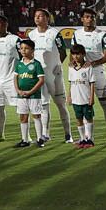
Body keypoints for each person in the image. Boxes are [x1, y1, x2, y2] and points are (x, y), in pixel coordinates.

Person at [73, 8, 106, 143]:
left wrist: (91, 64)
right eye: (87, 17)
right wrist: (74, 67)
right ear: (82, 19)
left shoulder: (102, 35)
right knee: (85, 105)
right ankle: (88, 137)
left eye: (92, 17)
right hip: (82, 74)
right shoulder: (77, 34)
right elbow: (73, 53)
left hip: (98, 72)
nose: (90, 19)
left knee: (105, 104)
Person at [27, 9, 73, 143]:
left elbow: (63, 52)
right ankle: (45, 134)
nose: (37, 18)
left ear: (47, 18)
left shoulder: (54, 33)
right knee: (43, 105)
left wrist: (57, 66)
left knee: (61, 105)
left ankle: (68, 135)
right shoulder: (31, 35)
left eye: (40, 16)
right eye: (35, 16)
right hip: (39, 76)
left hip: (54, 75)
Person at [0, 15, 22, 142]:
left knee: (21, 108)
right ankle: (0, 134)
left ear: (5, 24)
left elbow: (23, 57)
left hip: (12, 80)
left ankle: (25, 136)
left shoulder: (15, 40)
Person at [12, 38, 47, 148]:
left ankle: (40, 138)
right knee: (23, 117)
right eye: (21, 48)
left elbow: (41, 80)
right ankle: (25, 140)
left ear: (32, 50)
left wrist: (31, 92)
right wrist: (18, 91)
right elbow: (15, 78)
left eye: (26, 48)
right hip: (21, 96)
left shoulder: (36, 64)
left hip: (34, 96)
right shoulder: (19, 64)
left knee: (36, 116)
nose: (23, 50)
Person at [67, 45, 96, 149]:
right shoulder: (71, 67)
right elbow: (71, 82)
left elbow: (92, 83)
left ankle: (90, 139)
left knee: (89, 118)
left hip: (86, 98)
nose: (75, 56)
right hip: (76, 98)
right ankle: (83, 139)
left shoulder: (88, 67)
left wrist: (91, 97)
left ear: (83, 54)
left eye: (78, 54)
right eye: (73, 54)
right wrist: (69, 96)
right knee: (78, 119)